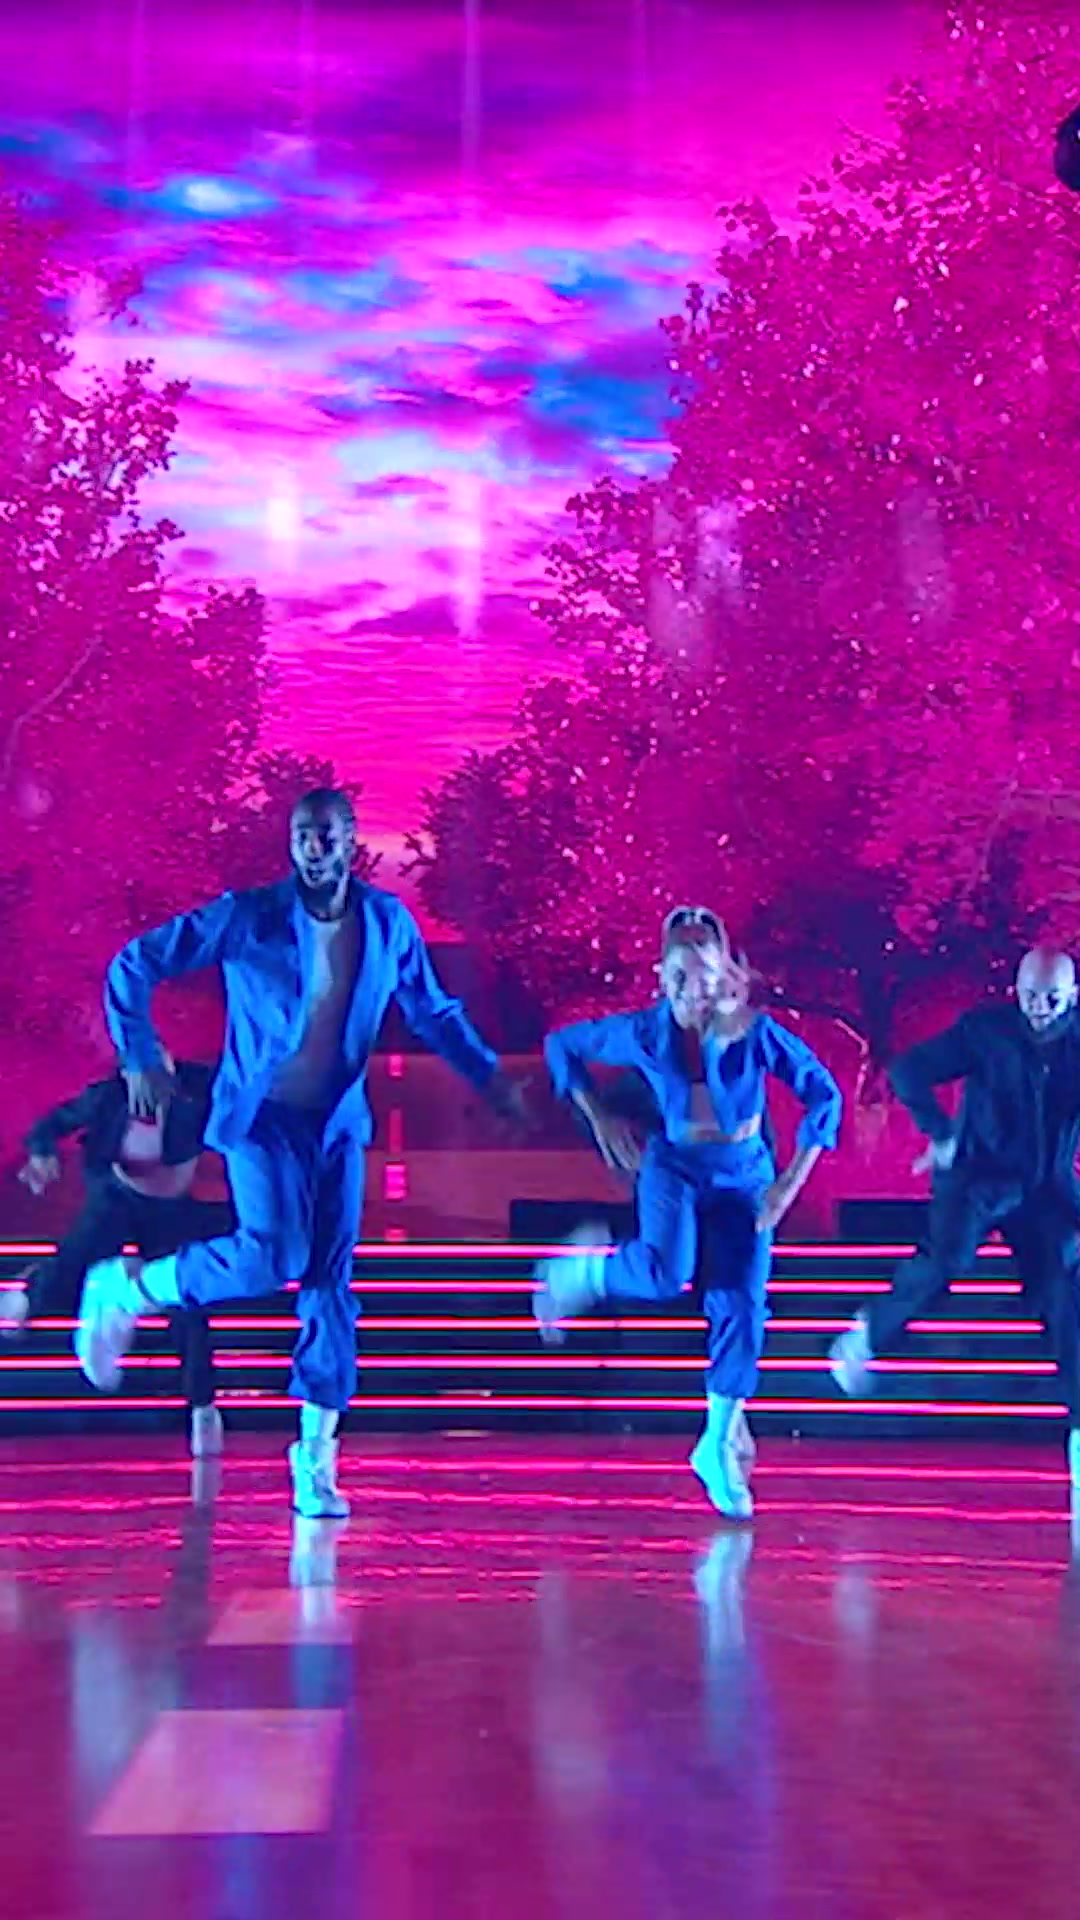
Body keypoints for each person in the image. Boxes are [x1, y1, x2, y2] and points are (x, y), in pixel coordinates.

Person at [73, 787, 528, 1518]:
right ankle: (127, 1289)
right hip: (263, 1118)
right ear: (291, 844)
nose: (314, 848)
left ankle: (315, 1457)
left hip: (335, 1124)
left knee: (329, 1283)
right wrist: (141, 1054)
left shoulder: (386, 923)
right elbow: (136, 963)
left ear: (352, 841)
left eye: (327, 834)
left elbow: (433, 1011)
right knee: (274, 1253)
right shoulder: (248, 916)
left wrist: (491, 1080)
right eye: (302, 835)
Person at [533, 906, 842, 1519]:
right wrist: (599, 1117)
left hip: (744, 1175)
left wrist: (787, 1186)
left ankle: (716, 1442)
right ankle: (585, 1271)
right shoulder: (644, 1032)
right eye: (677, 977)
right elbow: (561, 1047)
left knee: (740, 1305)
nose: (690, 991)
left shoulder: (756, 1034)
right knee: (663, 1273)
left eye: (703, 977)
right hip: (674, 1164)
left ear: (724, 976)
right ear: (660, 976)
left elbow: (823, 1096)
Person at [830, 946, 1080, 1484]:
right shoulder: (987, 1030)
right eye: (1030, 996)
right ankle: (869, 1332)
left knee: (1064, 1290)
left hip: (1044, 1187)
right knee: (947, 1260)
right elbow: (909, 1070)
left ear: (1073, 997)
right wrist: (942, 1135)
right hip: (976, 1175)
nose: (1039, 1009)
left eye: (1052, 999)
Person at [3, 1053, 226, 1456]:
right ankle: (31, 1294)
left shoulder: (199, 1091)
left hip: (169, 1211)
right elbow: (50, 1125)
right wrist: (42, 1153)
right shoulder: (107, 1097)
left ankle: (202, 1408)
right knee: (77, 1256)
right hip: (116, 1199)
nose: (148, 1090)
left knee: (189, 1308)